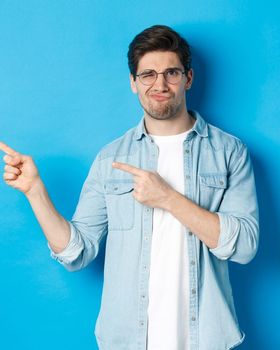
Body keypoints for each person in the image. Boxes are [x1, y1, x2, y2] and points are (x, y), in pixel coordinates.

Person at [0, 25, 259, 350]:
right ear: (133, 83)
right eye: (148, 74)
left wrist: (168, 198)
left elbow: (246, 246)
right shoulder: (111, 158)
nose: (160, 84)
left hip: (204, 339)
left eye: (171, 73)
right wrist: (35, 192)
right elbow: (76, 253)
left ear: (188, 78)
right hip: (127, 341)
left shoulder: (229, 152)